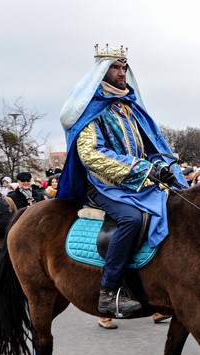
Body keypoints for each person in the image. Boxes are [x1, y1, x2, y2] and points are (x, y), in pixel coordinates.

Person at [58, 44, 188, 318]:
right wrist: (142, 170)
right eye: (114, 68)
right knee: (132, 219)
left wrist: (162, 167)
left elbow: (154, 148)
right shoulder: (92, 110)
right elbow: (91, 154)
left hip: (140, 183)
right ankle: (110, 291)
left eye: (123, 67)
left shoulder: (131, 107)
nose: (121, 72)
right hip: (106, 185)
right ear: (101, 73)